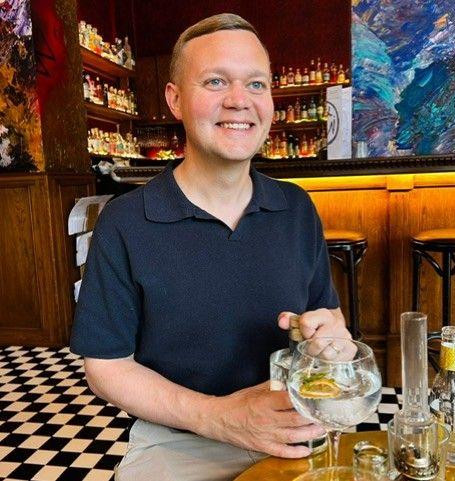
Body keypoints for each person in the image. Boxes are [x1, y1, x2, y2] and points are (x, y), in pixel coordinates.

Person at [70, 13, 351, 481]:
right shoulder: (125, 222)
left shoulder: (296, 207)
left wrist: (332, 339)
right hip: (179, 436)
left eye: (256, 84)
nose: (240, 100)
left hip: (291, 422)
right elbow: (106, 367)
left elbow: (327, 317)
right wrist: (220, 417)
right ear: (175, 99)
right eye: (216, 81)